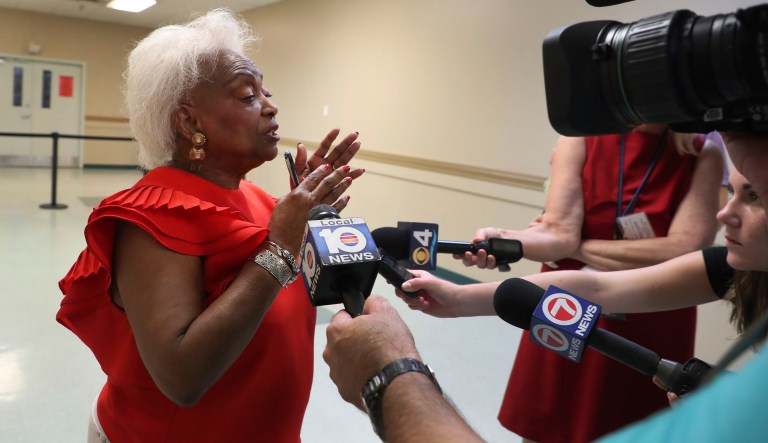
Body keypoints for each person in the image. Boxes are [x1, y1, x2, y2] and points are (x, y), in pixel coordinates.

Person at [323, 131, 768, 442]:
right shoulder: (730, 266)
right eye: (733, 193)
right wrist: (458, 297)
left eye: (753, 197)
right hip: (570, 317)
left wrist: (579, 243)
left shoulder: (702, 152)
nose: (723, 216)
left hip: (650, 331)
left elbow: (677, 247)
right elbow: (599, 287)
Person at [56, 9, 364, 442]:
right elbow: (182, 377)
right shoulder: (152, 216)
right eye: (247, 96)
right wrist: (281, 245)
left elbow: (285, 294)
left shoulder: (260, 200)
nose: (271, 106)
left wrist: (309, 214)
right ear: (189, 122)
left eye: (266, 93)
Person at [455, 125, 724, 442]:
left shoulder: (703, 151)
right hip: (567, 303)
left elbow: (684, 250)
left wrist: (578, 247)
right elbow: (556, 233)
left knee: (629, 427)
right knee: (548, 424)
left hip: (650, 309)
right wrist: (505, 238)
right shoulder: (581, 134)